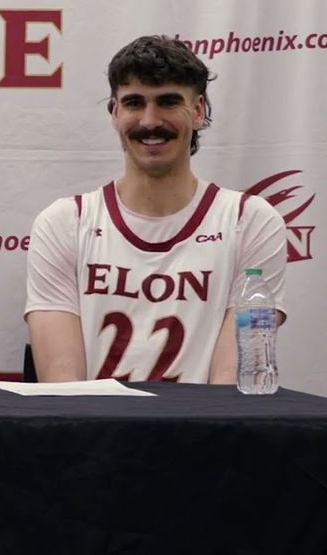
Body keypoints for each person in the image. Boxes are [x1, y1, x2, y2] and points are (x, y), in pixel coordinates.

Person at [25, 36, 287, 383]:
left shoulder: (250, 221)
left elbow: (230, 394)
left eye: (168, 102)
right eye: (134, 102)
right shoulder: (63, 223)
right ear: (116, 113)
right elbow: (63, 389)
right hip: (92, 435)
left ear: (198, 111)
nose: (150, 121)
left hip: (204, 435)